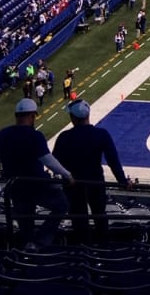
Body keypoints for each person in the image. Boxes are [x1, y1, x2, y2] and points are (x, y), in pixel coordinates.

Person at [0, 98, 73, 247]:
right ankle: (42, 240)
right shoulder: (34, 136)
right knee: (62, 204)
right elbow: (48, 160)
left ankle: (28, 251)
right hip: (37, 184)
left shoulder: (2, 134)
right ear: (32, 116)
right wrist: (67, 175)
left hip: (15, 186)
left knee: (25, 224)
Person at [52, 100, 128, 244]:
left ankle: (82, 248)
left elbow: (55, 161)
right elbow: (113, 160)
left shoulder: (64, 137)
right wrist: (122, 181)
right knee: (100, 215)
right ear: (88, 115)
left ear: (73, 118)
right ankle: (103, 246)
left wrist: (66, 175)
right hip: (95, 181)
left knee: (78, 218)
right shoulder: (101, 134)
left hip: (73, 184)